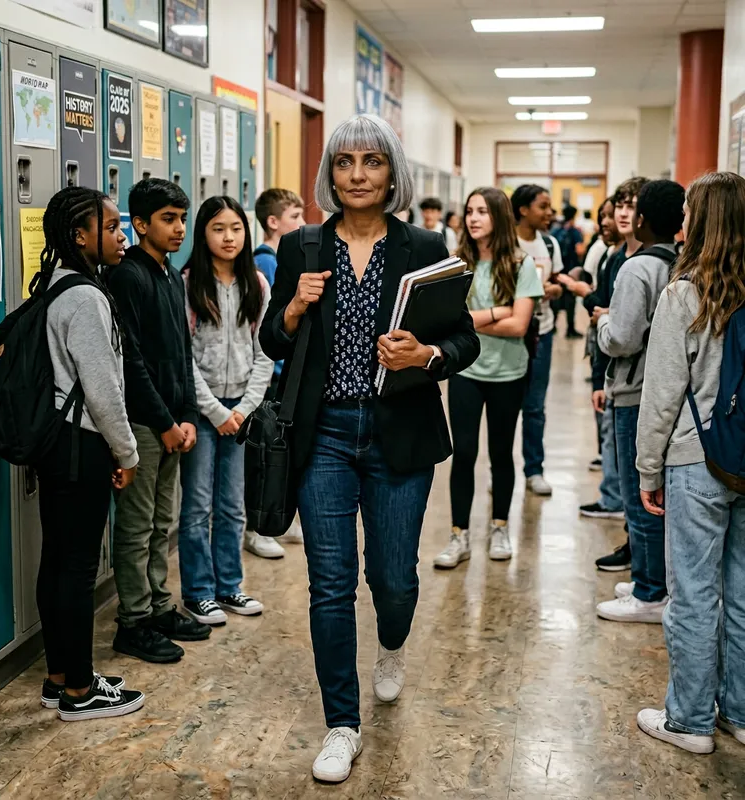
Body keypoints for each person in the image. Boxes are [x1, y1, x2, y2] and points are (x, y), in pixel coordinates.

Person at [260, 114, 481, 784]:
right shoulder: (301, 247)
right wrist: (293, 310)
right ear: (330, 172)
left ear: (392, 173)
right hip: (322, 433)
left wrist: (430, 354)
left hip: (399, 432)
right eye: (345, 162)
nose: (357, 175)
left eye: (372, 162)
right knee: (329, 585)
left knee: (393, 579)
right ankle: (341, 725)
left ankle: (391, 645)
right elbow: (274, 341)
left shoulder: (423, 244)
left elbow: (463, 340)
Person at [635, 171, 745, 754]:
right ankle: (742, 713)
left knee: (695, 594)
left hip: (696, 459)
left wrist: (647, 469)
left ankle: (691, 720)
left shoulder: (684, 293)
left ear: (697, 222)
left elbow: (662, 396)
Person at [34, 187, 144, 720]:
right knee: (77, 570)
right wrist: (126, 452)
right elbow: (102, 389)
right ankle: (80, 692)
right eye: (112, 226)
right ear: (81, 236)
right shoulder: (86, 297)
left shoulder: (55, 283)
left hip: (56, 445)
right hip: (82, 445)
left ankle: (60, 676)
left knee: (56, 560)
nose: (121, 236)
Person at [107, 178, 211, 664]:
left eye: (182, 219)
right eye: (168, 219)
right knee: (136, 523)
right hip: (142, 423)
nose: (179, 228)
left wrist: (187, 415)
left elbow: (182, 355)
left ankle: (158, 605)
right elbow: (132, 362)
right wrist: (165, 423)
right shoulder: (128, 276)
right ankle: (133, 620)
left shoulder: (172, 276)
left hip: (172, 420)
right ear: (141, 224)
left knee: (161, 523)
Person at [435, 187, 543, 568]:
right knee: (463, 453)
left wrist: (477, 320)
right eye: (469, 211)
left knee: (501, 454)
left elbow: (519, 325)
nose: (473, 218)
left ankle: (500, 527)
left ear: (498, 216)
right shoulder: (455, 263)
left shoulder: (519, 263)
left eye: (482, 211)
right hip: (465, 369)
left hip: (508, 373)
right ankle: (459, 535)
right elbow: (447, 320)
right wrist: (498, 311)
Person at [593, 179, 685, 624]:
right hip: (671, 392)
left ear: (643, 219)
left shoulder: (636, 269)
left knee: (639, 497)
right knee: (657, 496)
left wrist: (601, 325)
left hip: (634, 392)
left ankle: (650, 592)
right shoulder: (682, 261)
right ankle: (654, 579)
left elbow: (622, 338)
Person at [178, 196, 272, 621]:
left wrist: (246, 407)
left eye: (236, 227)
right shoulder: (187, 283)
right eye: (218, 228)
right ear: (203, 234)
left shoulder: (256, 283)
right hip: (202, 411)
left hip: (242, 411)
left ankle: (230, 586)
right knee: (198, 505)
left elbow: (265, 352)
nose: (229, 236)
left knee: (233, 504)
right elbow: (185, 357)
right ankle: (199, 590)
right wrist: (216, 411)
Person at [581, 177, 648, 569]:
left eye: (630, 205)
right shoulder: (619, 256)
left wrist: (607, 317)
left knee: (637, 474)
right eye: (618, 206)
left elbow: (626, 333)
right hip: (617, 375)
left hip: (637, 382)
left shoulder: (644, 263)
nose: (623, 213)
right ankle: (634, 546)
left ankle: (643, 563)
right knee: (625, 467)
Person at [560, 198, 625, 513]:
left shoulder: (625, 259)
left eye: (612, 216)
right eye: (604, 216)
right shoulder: (610, 254)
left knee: (616, 434)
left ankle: (614, 498)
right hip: (607, 359)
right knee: (610, 432)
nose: (607, 222)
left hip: (620, 365)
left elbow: (615, 318)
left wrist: (587, 297)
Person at [252, 187, 307, 553]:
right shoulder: (268, 261)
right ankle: (261, 526)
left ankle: (278, 518)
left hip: (280, 370)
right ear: (273, 222)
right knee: (268, 455)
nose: (303, 225)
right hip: (273, 373)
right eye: (295, 217)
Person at [511, 184, 564, 497]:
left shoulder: (550, 244)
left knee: (534, 407)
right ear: (523, 210)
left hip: (541, 333)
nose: (549, 213)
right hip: (509, 333)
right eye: (543, 206)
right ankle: (500, 470)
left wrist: (553, 291)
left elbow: (556, 282)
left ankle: (534, 469)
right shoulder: (505, 242)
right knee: (504, 407)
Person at [552, 205, 584, 338]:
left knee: (555, 299)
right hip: (571, 271)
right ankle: (570, 329)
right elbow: (579, 250)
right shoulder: (575, 232)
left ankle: (552, 326)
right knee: (570, 301)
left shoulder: (556, 230)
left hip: (557, 271)